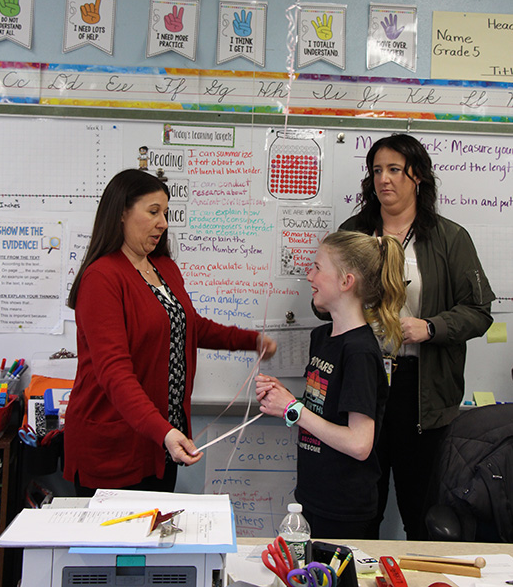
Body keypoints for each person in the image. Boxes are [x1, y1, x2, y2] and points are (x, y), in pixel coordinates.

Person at [64, 168, 276, 495]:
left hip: (163, 442)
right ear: (121, 213)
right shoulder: (102, 278)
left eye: (165, 213)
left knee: (154, 540)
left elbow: (190, 326)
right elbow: (113, 372)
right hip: (116, 448)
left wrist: (250, 341)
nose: (163, 223)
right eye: (153, 212)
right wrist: (162, 430)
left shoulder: (164, 267)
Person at [338, 133, 496, 539]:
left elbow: (479, 312)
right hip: (362, 382)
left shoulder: (449, 237)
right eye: (376, 170)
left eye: (394, 169)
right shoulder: (354, 232)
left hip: (420, 393)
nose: (384, 180)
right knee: (358, 510)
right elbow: (323, 302)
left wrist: (430, 327)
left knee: (421, 513)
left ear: (418, 176)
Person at [255, 230, 406, 539]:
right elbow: (325, 408)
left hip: (344, 510)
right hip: (313, 497)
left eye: (318, 267)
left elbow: (359, 444)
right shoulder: (322, 338)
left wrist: (293, 409)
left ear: (346, 282)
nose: (309, 275)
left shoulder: (360, 352)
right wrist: (283, 399)